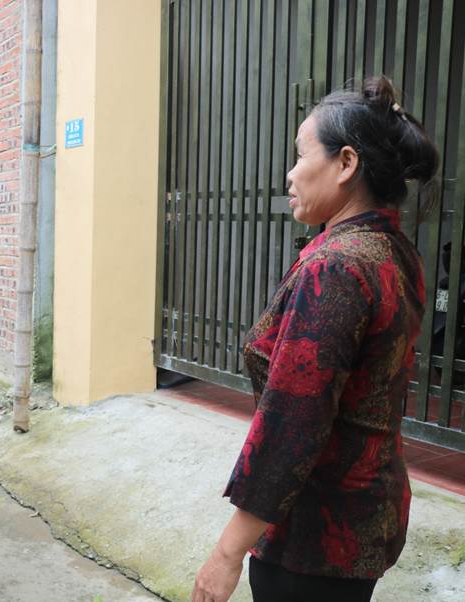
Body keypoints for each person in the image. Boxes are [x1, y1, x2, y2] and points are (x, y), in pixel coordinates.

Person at [191, 76, 440, 602]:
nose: (290, 172)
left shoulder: (337, 268)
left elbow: (293, 423)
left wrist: (227, 553)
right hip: (366, 516)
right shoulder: (394, 250)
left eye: (302, 155)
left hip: (313, 539)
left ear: (346, 163)